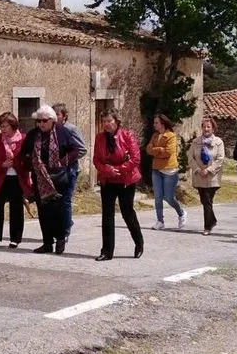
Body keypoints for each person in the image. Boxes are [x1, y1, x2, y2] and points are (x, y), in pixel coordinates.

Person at [19, 105, 80, 255]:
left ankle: (60, 239)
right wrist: (32, 164)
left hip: (58, 177)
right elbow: (24, 153)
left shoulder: (62, 132)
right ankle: (47, 243)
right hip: (40, 178)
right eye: (38, 121)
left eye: (44, 121)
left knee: (58, 210)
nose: (41, 124)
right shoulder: (33, 134)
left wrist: (62, 162)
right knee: (43, 210)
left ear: (52, 120)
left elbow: (75, 150)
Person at [92, 111, 143, 260]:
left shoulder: (127, 136)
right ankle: (107, 251)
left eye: (109, 121)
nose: (106, 124)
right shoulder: (100, 138)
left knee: (127, 212)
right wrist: (107, 170)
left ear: (116, 121)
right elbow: (96, 160)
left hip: (126, 179)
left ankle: (139, 243)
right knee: (107, 215)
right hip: (108, 180)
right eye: (104, 121)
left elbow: (135, 159)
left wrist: (119, 169)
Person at [0, 112, 32, 249]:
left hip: (17, 178)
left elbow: (28, 158)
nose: (2, 129)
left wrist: (17, 163)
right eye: (1, 126)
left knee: (16, 208)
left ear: (13, 125)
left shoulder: (23, 139)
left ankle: (15, 239)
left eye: (5, 126)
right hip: (1, 177)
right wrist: (1, 164)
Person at [52, 103, 87, 242]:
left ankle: (65, 231)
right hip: (55, 171)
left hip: (70, 170)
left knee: (66, 200)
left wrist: (66, 160)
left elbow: (82, 149)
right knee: (56, 201)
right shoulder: (51, 130)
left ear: (64, 116)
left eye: (57, 115)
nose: (54, 117)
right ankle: (64, 224)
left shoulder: (71, 129)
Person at [146, 113, 186, 230]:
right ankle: (160, 221)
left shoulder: (171, 136)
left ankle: (181, 213)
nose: (154, 125)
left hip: (170, 170)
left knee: (169, 197)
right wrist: (159, 149)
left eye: (156, 122)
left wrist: (156, 151)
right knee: (158, 196)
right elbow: (148, 149)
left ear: (162, 123)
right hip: (156, 169)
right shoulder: (154, 136)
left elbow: (168, 152)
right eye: (154, 122)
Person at [189, 118, 225, 235]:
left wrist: (208, 170)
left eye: (208, 126)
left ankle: (207, 227)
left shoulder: (218, 142)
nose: (206, 129)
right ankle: (212, 220)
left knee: (207, 200)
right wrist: (198, 170)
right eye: (204, 126)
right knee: (204, 200)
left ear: (213, 129)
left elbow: (220, 159)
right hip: (199, 176)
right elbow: (191, 158)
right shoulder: (195, 142)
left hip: (212, 177)